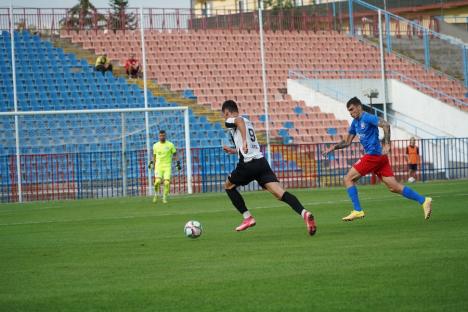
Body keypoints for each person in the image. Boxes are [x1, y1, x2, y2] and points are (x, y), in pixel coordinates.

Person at [322, 97, 432, 221]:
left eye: (352, 110)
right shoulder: (355, 123)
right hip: (380, 158)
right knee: (394, 187)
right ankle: (424, 200)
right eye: (349, 111)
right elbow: (347, 142)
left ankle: (358, 210)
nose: (351, 113)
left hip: (373, 155)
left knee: (348, 179)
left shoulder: (367, 117)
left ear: (359, 107)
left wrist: (387, 143)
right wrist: (333, 147)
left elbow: (385, 124)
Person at [221, 100, 317, 235]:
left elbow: (238, 122)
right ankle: (305, 213)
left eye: (224, 115)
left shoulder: (234, 120)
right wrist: (234, 150)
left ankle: (247, 217)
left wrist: (243, 142)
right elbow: (246, 141)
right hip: (261, 162)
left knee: (228, 186)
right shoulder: (247, 121)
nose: (225, 119)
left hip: (248, 164)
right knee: (280, 193)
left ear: (227, 112)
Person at [148, 130, 181, 204]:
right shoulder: (155, 145)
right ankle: (156, 194)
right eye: (160, 136)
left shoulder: (170, 145)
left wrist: (178, 163)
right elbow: (154, 156)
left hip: (167, 166)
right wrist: (151, 163)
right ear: (158, 136)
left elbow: (175, 154)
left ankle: (164, 197)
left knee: (166, 183)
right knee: (157, 182)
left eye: (163, 135)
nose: (162, 137)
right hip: (158, 166)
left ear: (165, 136)